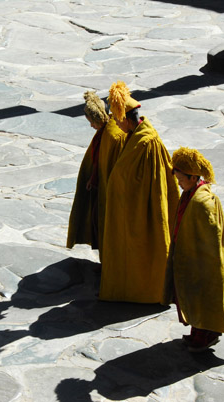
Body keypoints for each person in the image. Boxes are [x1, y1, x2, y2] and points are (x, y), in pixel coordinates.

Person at [99, 81, 180, 304]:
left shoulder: (147, 143)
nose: (116, 124)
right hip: (130, 204)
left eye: (117, 119)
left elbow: (149, 181)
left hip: (144, 206)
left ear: (125, 118)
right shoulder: (134, 136)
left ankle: (149, 291)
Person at [164, 147, 224, 352]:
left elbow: (211, 237)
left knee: (202, 296)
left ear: (192, 177)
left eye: (181, 179)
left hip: (202, 259)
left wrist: (202, 261)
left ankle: (206, 334)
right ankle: (198, 332)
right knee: (192, 297)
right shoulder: (191, 193)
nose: (179, 184)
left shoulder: (202, 202)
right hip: (190, 255)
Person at [67, 91, 126, 261]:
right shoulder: (104, 133)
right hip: (99, 185)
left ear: (97, 118)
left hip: (109, 190)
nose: (91, 126)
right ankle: (104, 260)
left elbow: (109, 163)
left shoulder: (112, 135)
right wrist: (93, 177)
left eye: (91, 122)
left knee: (106, 225)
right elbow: (99, 160)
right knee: (97, 223)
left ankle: (109, 262)